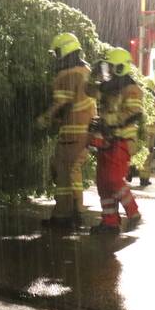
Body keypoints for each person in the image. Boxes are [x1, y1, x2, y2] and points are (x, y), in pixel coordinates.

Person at [36, 32, 96, 228]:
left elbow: (61, 102)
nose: (56, 57)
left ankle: (62, 216)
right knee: (74, 171)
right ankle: (77, 210)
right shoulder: (85, 70)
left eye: (58, 52)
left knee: (61, 171)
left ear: (65, 51)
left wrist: (45, 118)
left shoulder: (68, 74)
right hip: (86, 130)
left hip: (72, 131)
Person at [88, 47, 144, 235]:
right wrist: (93, 76)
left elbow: (132, 113)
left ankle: (133, 212)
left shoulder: (132, 89)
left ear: (120, 68)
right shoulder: (108, 87)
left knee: (113, 179)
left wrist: (109, 121)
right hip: (106, 140)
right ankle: (110, 222)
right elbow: (89, 92)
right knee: (103, 182)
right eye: (107, 68)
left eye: (111, 68)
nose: (108, 71)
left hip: (122, 140)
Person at [136, 77, 155, 187]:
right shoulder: (154, 101)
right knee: (146, 156)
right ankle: (144, 179)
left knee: (133, 152)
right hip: (149, 134)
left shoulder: (138, 96)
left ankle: (128, 173)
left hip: (138, 131)